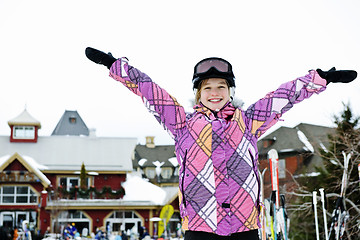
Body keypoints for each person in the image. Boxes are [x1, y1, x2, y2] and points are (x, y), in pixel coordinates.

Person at [85, 47, 357, 240]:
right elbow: (151, 93)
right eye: (208, 87)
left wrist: (320, 78)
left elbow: (284, 97)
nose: (215, 93)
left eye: (221, 87)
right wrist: (117, 66)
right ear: (198, 94)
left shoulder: (248, 121)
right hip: (200, 229)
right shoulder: (182, 124)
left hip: (246, 228)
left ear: (230, 92)